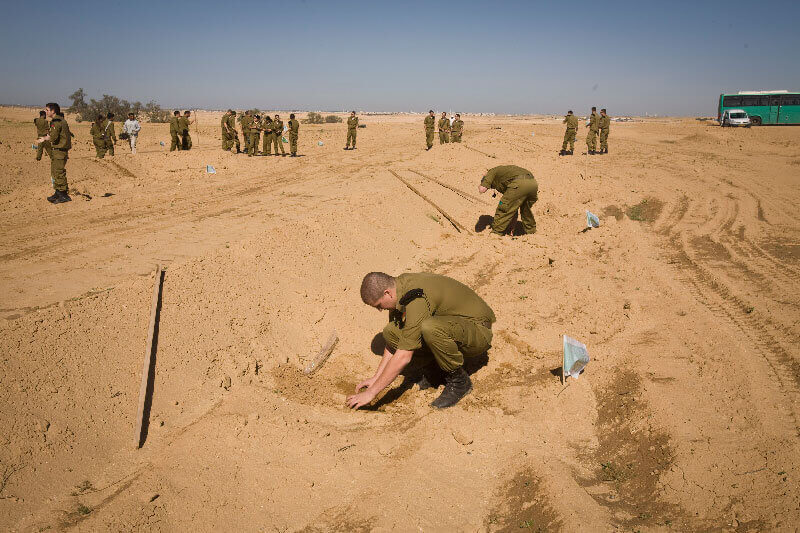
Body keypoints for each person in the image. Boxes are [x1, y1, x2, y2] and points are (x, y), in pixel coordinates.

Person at [348, 272, 495, 410]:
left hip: (477, 330)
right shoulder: (399, 289)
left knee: (431, 328)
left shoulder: (415, 299)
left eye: (379, 305)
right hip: (452, 325)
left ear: (387, 293)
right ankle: (436, 371)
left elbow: (404, 356)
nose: (380, 310)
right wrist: (376, 378)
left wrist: (371, 393)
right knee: (391, 331)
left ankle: (459, 381)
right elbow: (394, 343)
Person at [478, 165, 538, 235]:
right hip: (533, 184)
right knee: (525, 210)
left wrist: (481, 184)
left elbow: (482, 189)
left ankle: (496, 233)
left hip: (519, 184)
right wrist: (512, 228)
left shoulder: (491, 172)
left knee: (503, 207)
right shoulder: (504, 173)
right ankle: (531, 232)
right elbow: (513, 210)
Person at [35, 102, 72, 204]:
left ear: (53, 111)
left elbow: (53, 137)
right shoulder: (61, 120)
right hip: (59, 151)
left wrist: (44, 139)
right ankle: (58, 192)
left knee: (59, 173)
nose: (46, 112)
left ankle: (63, 195)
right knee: (55, 172)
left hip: (59, 151)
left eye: (47, 110)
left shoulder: (56, 122)